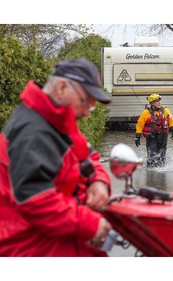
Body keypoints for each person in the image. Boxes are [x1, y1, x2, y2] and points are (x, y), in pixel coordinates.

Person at [0, 58, 113, 256]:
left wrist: (99, 180)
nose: (88, 112)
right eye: (87, 101)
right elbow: (37, 201)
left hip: (56, 235)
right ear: (62, 87)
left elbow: (88, 155)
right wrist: (90, 223)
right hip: (31, 245)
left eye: (93, 105)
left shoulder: (56, 120)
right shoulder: (33, 132)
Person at [135, 94, 173, 168]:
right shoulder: (146, 112)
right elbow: (140, 124)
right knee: (152, 155)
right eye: (156, 101)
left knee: (162, 155)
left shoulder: (166, 110)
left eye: (159, 101)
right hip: (152, 137)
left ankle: (162, 172)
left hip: (163, 136)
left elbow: (171, 121)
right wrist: (137, 136)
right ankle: (151, 173)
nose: (159, 103)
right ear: (152, 103)